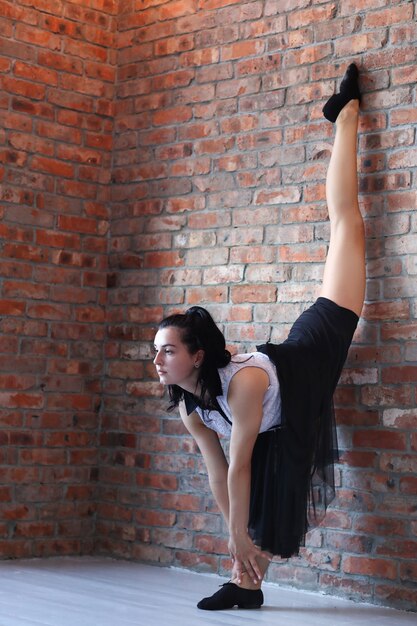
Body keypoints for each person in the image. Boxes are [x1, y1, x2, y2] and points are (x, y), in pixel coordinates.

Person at [153, 63, 365, 610]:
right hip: (286, 387)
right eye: (156, 352)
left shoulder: (240, 388)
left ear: (198, 355)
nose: (158, 361)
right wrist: (235, 535)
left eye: (168, 351)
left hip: (313, 346)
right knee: (264, 496)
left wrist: (239, 536)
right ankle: (246, 583)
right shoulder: (191, 408)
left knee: (346, 222)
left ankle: (347, 116)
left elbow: (241, 463)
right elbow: (220, 474)